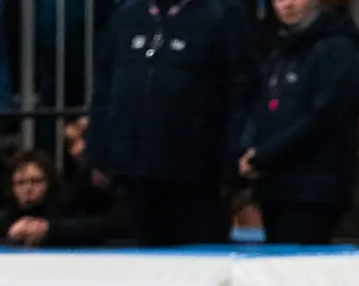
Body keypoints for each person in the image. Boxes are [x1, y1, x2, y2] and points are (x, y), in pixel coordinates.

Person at [86, 0, 259, 246]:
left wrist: (232, 158)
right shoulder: (126, 14)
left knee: (197, 261)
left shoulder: (222, 15)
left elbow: (242, 92)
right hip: (134, 169)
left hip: (196, 173)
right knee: (145, 267)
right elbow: (104, 87)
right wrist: (98, 150)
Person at [239, 0, 359, 245]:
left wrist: (263, 155)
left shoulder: (337, 50)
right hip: (277, 184)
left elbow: (321, 119)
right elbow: (264, 109)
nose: (286, 4)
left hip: (313, 188)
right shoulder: (281, 50)